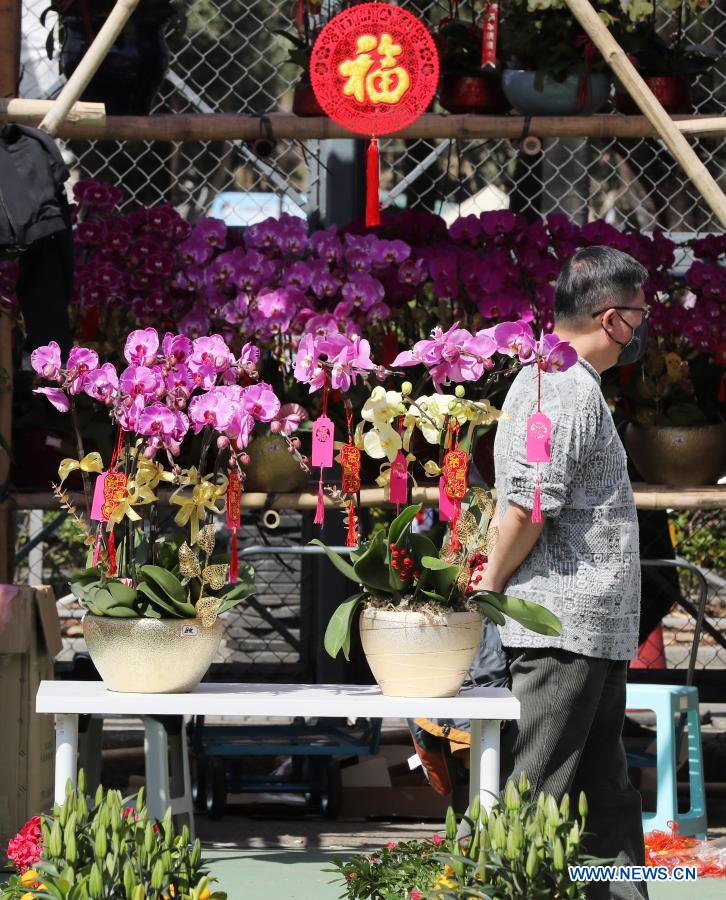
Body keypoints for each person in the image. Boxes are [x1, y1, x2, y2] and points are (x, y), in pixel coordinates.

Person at [482, 246, 650, 900]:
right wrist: (490, 586)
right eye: (639, 315)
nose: (642, 328)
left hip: (591, 632)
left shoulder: (568, 382)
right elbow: (530, 502)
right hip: (559, 629)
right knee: (537, 795)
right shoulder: (559, 385)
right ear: (611, 319)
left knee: (604, 798)